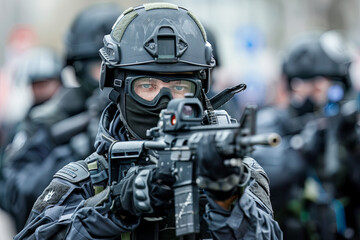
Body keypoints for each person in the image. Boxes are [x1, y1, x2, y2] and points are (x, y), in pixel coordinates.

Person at [15, 3, 282, 239]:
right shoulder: (85, 180)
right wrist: (114, 206)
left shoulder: (238, 173)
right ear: (117, 88)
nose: (164, 101)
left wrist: (227, 199)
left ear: (200, 91)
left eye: (179, 87)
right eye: (147, 86)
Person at [0, 4, 121, 232]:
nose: (110, 78)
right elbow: (16, 195)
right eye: (100, 68)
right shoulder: (49, 120)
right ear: (77, 68)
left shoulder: (146, 113)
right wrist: (79, 154)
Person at [253, 30, 353, 239]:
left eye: (330, 84)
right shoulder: (271, 121)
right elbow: (266, 171)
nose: (324, 94)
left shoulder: (345, 126)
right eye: (315, 85)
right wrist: (304, 147)